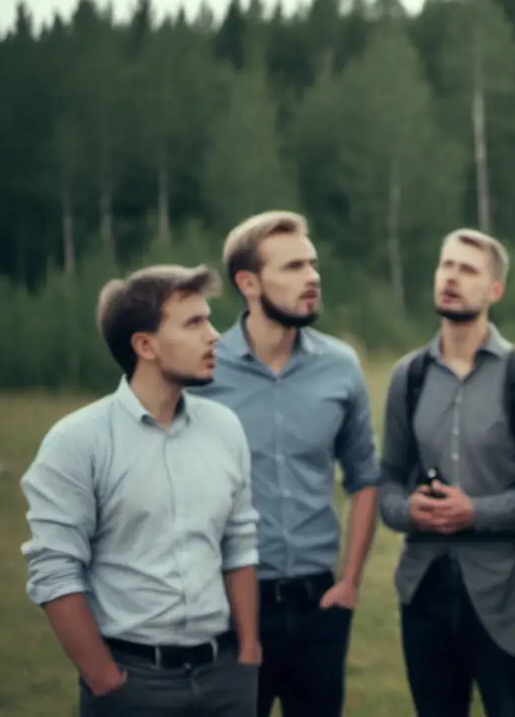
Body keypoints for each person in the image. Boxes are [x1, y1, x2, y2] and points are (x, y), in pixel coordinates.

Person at [19, 264, 262, 716]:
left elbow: (240, 543)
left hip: (225, 678)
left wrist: (248, 653)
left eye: (209, 320)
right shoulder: (77, 441)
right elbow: (55, 570)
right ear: (144, 345)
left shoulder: (224, 427)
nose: (215, 337)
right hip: (134, 685)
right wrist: (104, 679)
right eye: (193, 323)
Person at [189, 210, 380, 717]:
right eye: (293, 267)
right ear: (248, 283)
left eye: (313, 264)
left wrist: (350, 582)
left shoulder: (341, 367)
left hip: (320, 607)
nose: (313, 277)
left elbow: (364, 475)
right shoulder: (204, 370)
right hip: (229, 608)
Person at [377, 228, 515, 717]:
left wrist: (473, 512)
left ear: (494, 291)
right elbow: (387, 483)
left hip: (504, 594)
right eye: (445, 265)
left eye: (468, 269)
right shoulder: (407, 377)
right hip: (424, 588)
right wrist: (410, 510)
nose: (451, 278)